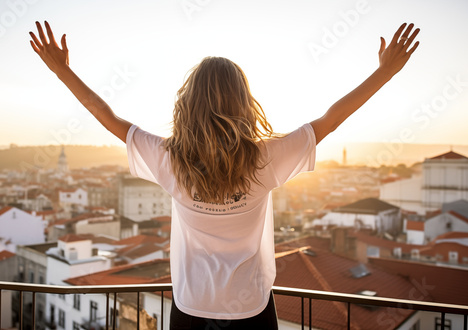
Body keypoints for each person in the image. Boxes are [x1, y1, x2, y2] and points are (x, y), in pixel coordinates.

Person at [29, 21, 419, 329]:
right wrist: (385, 72)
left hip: (190, 308)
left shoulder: (169, 159)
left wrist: (62, 71)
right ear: (244, 103)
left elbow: (108, 118)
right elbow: (330, 120)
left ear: (188, 103)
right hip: (250, 308)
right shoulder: (266, 159)